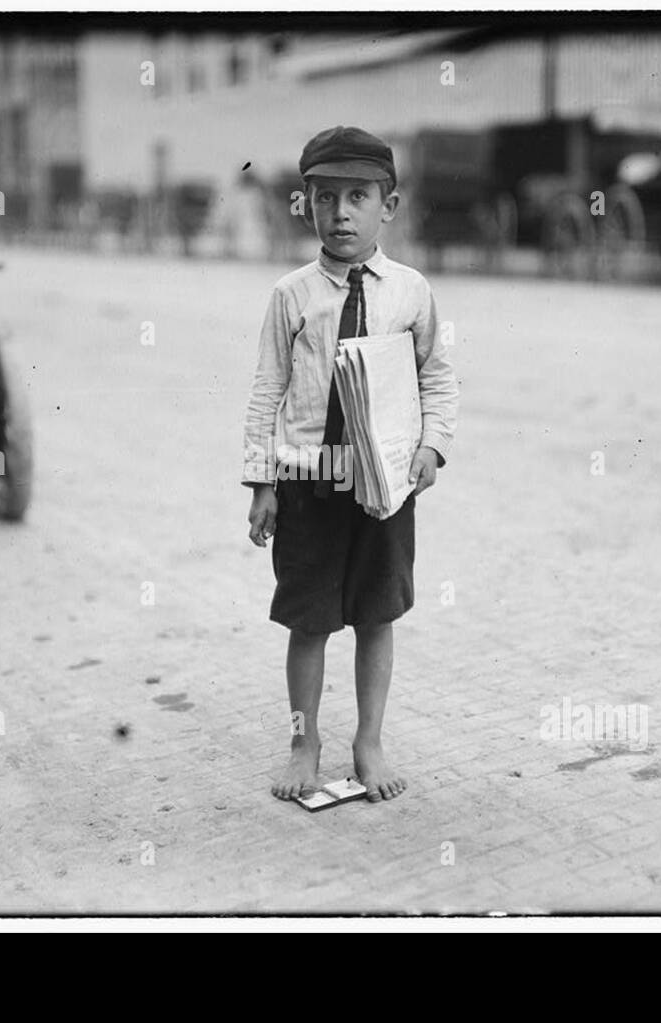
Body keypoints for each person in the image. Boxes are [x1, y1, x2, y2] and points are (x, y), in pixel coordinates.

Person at [241, 126, 459, 803]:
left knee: (375, 614)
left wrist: (431, 447)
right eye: (324, 197)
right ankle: (304, 743)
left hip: (385, 485)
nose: (340, 213)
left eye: (357, 197)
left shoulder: (411, 292)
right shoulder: (291, 295)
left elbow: (439, 378)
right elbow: (266, 391)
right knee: (309, 622)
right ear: (304, 205)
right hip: (309, 482)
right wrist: (262, 481)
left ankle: (370, 739)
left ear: (387, 206)